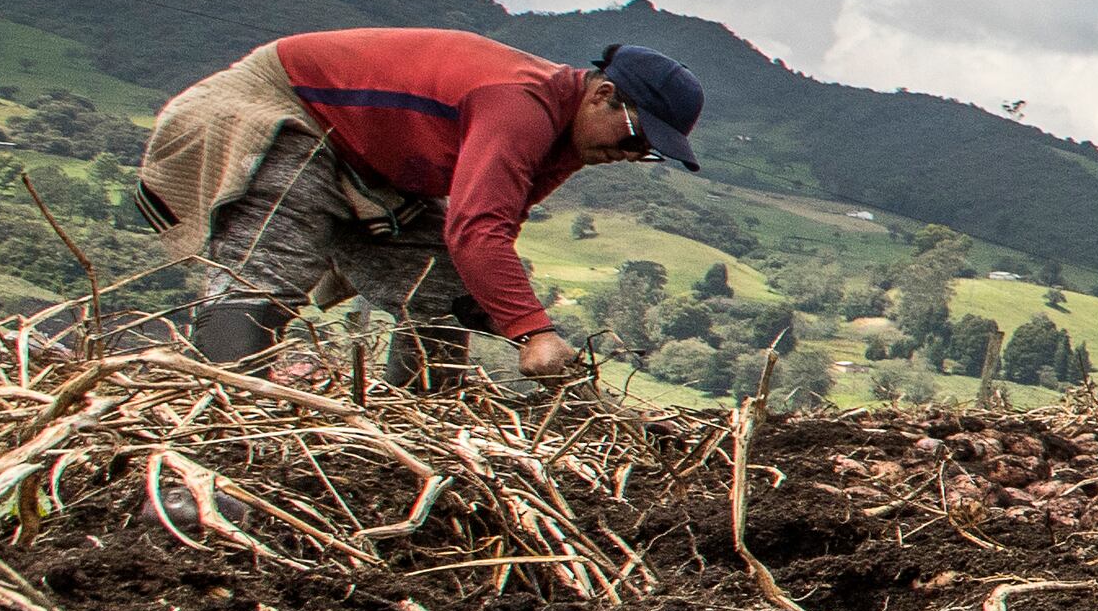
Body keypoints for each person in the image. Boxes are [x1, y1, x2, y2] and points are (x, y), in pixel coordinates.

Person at [139, 27, 707, 384]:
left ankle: (419, 415)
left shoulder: (568, 139)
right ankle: (220, 429)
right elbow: (476, 230)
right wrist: (533, 332)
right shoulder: (520, 105)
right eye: (635, 137)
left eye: (649, 153)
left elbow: (485, 236)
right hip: (286, 110)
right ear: (603, 94)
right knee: (270, 273)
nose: (632, 154)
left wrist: (512, 320)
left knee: (440, 288)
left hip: (363, 160)